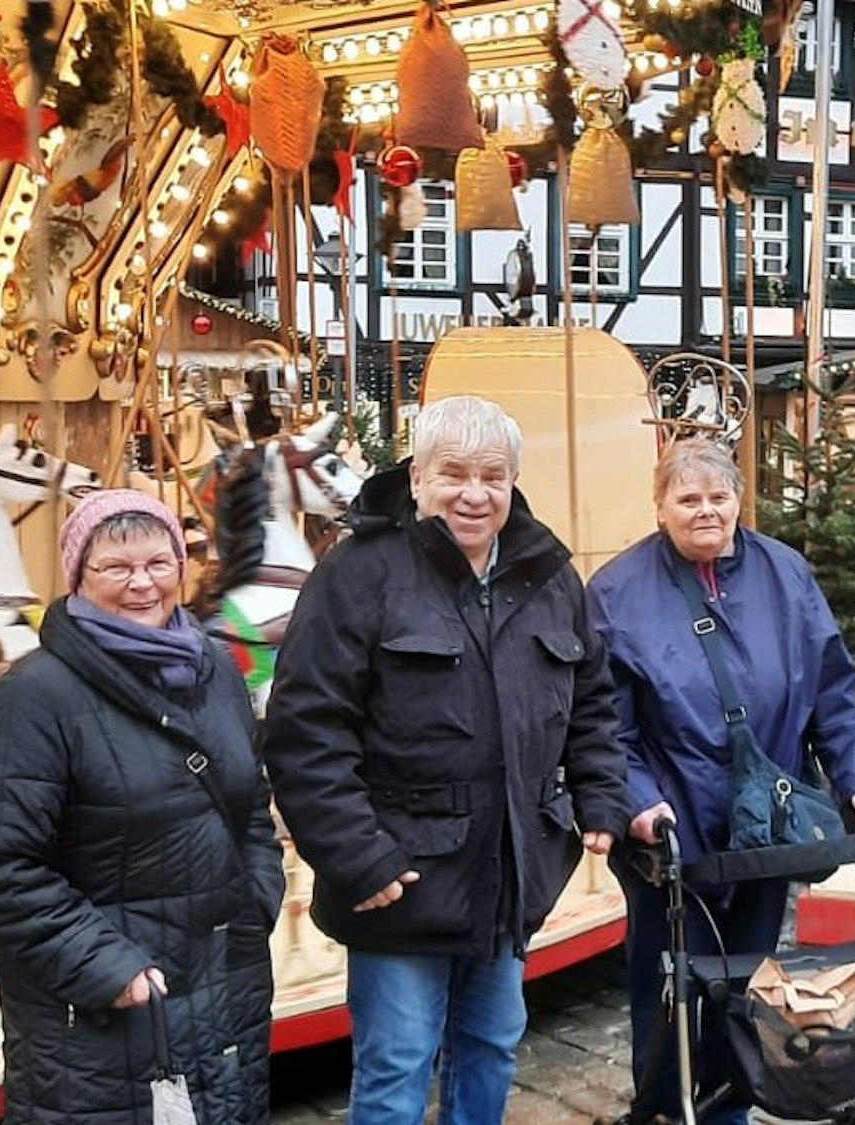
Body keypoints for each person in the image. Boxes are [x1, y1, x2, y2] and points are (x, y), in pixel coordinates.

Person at [260, 396, 628, 1125]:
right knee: (398, 1060)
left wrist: (601, 793)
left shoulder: (547, 572)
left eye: (492, 475)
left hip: (509, 868)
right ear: (418, 476)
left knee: (491, 1044)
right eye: (453, 473)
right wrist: (355, 856)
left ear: (514, 479)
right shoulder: (359, 573)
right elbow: (306, 729)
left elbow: (591, 697)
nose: (474, 493)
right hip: (399, 875)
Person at [587, 438, 855, 1125]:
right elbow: (605, 724)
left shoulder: (786, 574)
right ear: (659, 504)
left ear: (738, 500)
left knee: (748, 976)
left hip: (764, 826)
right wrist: (639, 802)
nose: (705, 511)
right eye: (687, 498)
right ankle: (667, 1105)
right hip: (670, 825)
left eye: (718, 497)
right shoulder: (616, 591)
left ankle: (729, 1106)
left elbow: (832, 695)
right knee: (669, 983)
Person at [0, 489, 283, 1125]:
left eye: (160, 564)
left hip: (223, 978)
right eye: (117, 568)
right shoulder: (36, 696)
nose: (143, 584)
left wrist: (256, 898)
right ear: (79, 575)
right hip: (107, 1008)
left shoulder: (214, 669)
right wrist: (107, 967)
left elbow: (249, 803)